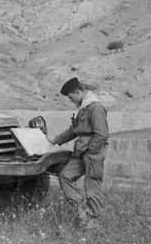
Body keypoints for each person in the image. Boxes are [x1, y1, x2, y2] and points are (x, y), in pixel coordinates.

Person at [47, 77, 109, 230]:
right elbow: (73, 130)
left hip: (92, 152)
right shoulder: (82, 107)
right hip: (81, 151)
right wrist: (55, 140)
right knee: (65, 176)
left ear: (78, 92)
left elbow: (102, 134)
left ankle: (93, 221)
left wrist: (91, 151)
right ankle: (82, 209)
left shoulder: (95, 107)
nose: (70, 100)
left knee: (92, 185)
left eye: (71, 97)